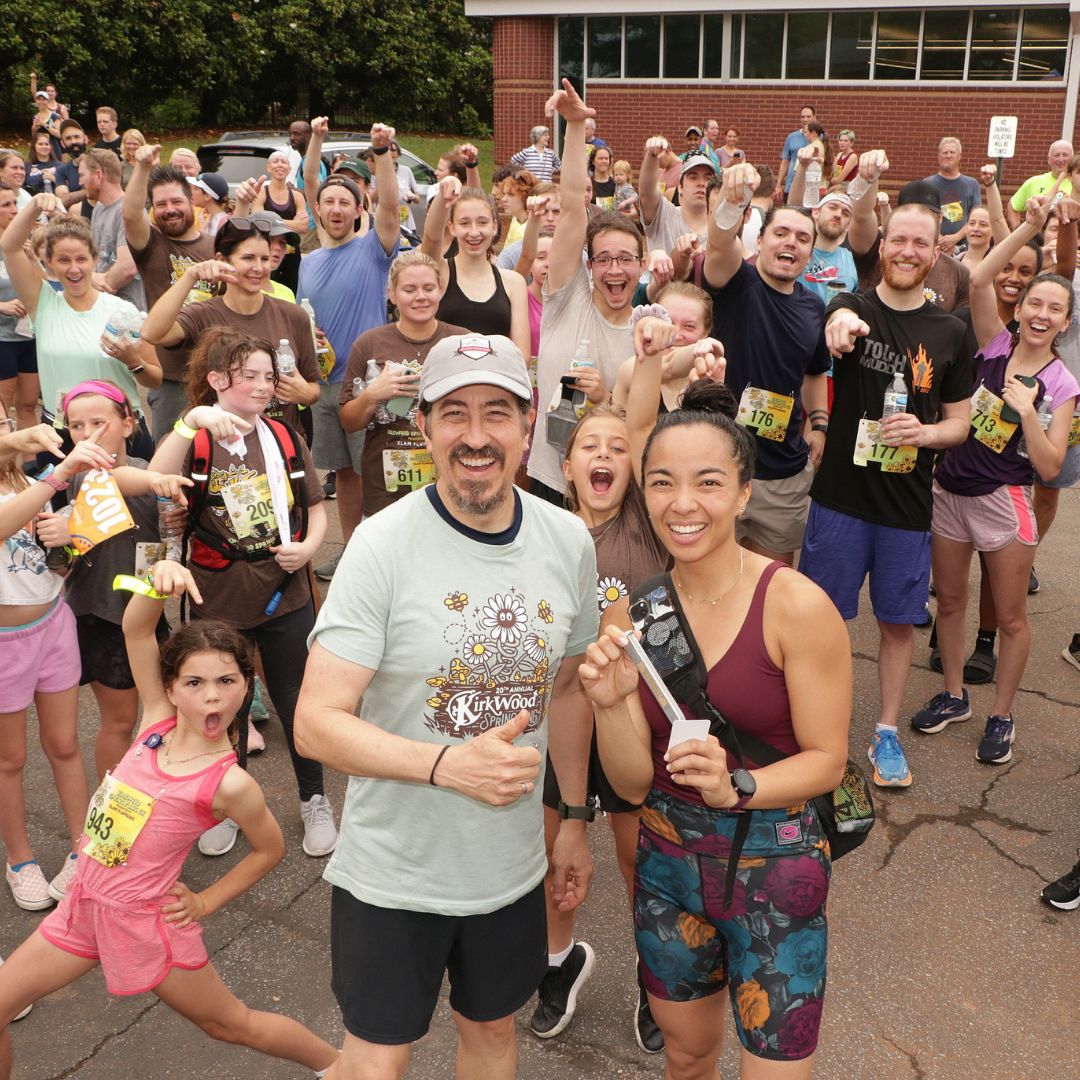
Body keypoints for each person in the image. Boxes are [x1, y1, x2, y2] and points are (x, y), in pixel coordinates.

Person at [295, 331, 597, 1080]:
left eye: (497, 412)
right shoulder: (380, 545)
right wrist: (444, 766)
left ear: (528, 426)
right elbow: (315, 721)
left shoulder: (567, 540)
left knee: (492, 1035)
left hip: (509, 869)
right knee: (375, 1060)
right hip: (394, 873)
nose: (475, 435)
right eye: (453, 413)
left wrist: (576, 821)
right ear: (422, 425)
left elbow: (565, 688)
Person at [580, 354, 851, 1080]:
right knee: (688, 1054)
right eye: (663, 481)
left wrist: (740, 787)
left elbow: (827, 759)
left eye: (708, 482)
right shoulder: (635, 610)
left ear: (742, 495)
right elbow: (634, 785)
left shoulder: (796, 604)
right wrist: (609, 707)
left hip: (779, 873)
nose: (682, 503)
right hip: (668, 866)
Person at [0, 555, 339, 1079]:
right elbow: (137, 628)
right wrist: (160, 580)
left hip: (144, 923)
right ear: (172, 688)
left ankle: (343, 1067)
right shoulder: (155, 721)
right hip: (84, 906)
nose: (212, 695)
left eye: (227, 681)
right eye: (195, 682)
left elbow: (270, 850)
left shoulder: (229, 783)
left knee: (231, 1024)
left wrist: (205, 900)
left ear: (246, 686)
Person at [799, 199, 972, 789]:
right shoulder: (854, 305)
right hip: (841, 500)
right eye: (899, 240)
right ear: (883, 244)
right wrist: (839, 327)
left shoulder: (952, 331)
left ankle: (887, 731)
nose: (907, 252)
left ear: (935, 253)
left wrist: (926, 434)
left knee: (898, 624)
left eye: (920, 244)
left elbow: (961, 422)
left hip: (905, 507)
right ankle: (815, 729)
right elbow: (835, 326)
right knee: (824, 621)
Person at [148, 328, 334, 859]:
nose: (261, 385)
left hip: (284, 589)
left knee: (297, 699)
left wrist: (310, 546)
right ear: (215, 380)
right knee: (220, 704)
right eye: (247, 375)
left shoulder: (280, 434)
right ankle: (223, 804)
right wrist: (190, 422)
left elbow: (316, 507)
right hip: (217, 593)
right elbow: (153, 477)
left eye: (267, 376)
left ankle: (314, 798)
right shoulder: (197, 439)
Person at [910, 196, 1078, 764]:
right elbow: (979, 278)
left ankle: (1002, 716)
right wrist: (1030, 226)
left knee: (1009, 616)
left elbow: (1051, 467)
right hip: (948, 491)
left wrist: (1029, 411)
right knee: (952, 602)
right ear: (1022, 304)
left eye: (1054, 309)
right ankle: (955, 695)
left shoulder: (1061, 383)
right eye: (1035, 301)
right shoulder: (995, 342)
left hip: (1002, 501)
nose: (1041, 314)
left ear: (1064, 321)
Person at [34, 382, 164, 778]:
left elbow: (169, 529)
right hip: (99, 615)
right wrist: (62, 538)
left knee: (161, 713)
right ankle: (114, 803)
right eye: (76, 426)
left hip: (149, 606)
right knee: (121, 719)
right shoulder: (70, 479)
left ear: (128, 424)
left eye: (98, 422)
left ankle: (154, 791)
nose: (87, 433)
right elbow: (60, 567)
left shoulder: (149, 473)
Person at [703, 162, 831, 565]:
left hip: (783, 475)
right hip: (720, 464)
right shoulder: (736, 281)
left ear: (811, 251)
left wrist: (821, 423)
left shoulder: (814, 306)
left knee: (769, 588)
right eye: (781, 233)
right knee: (712, 579)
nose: (790, 243)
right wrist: (730, 203)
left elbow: (814, 370)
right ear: (760, 239)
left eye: (802, 238)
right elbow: (720, 244)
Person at [0, 428, 106, 912]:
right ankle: (20, 860)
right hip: (6, 645)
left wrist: (66, 539)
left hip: (52, 623)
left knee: (65, 744)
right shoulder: (41, 481)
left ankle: (81, 847)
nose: (9, 435)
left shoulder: (26, 480)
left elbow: (51, 561)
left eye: (5, 423)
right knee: (10, 759)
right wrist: (60, 475)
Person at [526, 81, 644, 503]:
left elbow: (644, 422)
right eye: (604, 259)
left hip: (610, 491)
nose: (615, 269)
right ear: (588, 266)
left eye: (626, 259)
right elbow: (574, 203)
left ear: (641, 267)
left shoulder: (646, 332)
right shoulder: (566, 296)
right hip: (550, 481)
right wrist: (575, 126)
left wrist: (605, 398)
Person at [296, 118, 401, 579]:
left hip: (367, 383)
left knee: (377, 466)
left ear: (361, 209)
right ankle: (354, 549)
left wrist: (381, 154)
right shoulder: (311, 258)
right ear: (318, 210)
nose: (337, 208)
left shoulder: (374, 250)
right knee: (344, 472)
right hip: (323, 385)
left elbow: (393, 209)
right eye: (329, 202)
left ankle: (388, 551)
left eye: (346, 202)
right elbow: (310, 178)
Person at [0, 197, 161, 445]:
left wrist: (134, 363)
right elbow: (10, 247)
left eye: (81, 259)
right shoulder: (42, 304)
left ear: (94, 259)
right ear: (49, 263)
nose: (74, 269)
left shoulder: (124, 311)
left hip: (120, 433)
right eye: (64, 260)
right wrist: (34, 205)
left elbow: (155, 378)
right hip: (61, 433)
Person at [140, 217, 319, 433]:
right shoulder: (203, 314)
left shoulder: (293, 315)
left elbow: (313, 387)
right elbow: (152, 333)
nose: (258, 267)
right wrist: (190, 275)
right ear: (222, 260)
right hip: (221, 445)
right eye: (248, 258)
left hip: (280, 444)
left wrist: (305, 394)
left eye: (264, 258)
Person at [339, 250, 467, 518]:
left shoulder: (462, 342)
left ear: (440, 290)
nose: (421, 296)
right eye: (409, 289)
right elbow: (349, 422)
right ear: (392, 294)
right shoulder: (369, 344)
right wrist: (372, 395)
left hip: (450, 480)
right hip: (386, 486)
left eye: (428, 287)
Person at [122, 144, 216, 441]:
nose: (170, 209)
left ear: (192, 202)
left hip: (220, 373)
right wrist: (142, 168)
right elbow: (130, 213)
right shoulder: (151, 245)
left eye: (176, 201)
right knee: (170, 458)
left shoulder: (217, 247)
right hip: (172, 379)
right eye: (160, 204)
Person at [423, 178, 531, 365]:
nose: (474, 232)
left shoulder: (513, 282)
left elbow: (522, 356)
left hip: (496, 384)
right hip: (447, 384)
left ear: (494, 226)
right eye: (464, 223)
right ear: (451, 228)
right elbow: (431, 238)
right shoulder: (440, 272)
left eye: (482, 222)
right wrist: (443, 194)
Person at [848, 154, 972, 313]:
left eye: (925, 213)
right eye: (909, 212)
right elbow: (861, 217)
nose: (907, 252)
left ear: (940, 218)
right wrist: (868, 180)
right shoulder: (880, 253)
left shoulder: (958, 274)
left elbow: (959, 328)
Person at [81, 149, 144, 308]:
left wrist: (93, 288)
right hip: (102, 307)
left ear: (98, 175)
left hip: (127, 312)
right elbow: (95, 256)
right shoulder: (98, 208)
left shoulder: (128, 212)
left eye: (82, 175)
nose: (79, 182)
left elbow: (127, 268)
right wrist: (92, 277)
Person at [0, 184, 39, 442]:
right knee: (2, 411)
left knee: (27, 405)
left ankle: (33, 467)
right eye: (6, 205)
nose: (15, 210)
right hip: (2, 339)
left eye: (15, 203)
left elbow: (45, 283)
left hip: (29, 335)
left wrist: (34, 260)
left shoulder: (26, 243)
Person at [640, 140, 715, 252]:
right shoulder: (664, 215)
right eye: (693, 177)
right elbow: (646, 193)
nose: (701, 183)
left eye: (707, 178)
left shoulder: (720, 226)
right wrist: (651, 156)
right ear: (680, 186)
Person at [799, 191, 859, 304]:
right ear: (816, 212)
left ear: (848, 226)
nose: (838, 215)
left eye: (845, 213)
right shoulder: (797, 250)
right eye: (832, 207)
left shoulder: (852, 259)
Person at [924, 138, 981, 253]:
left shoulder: (972, 184)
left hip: (963, 249)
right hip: (933, 246)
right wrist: (939, 239)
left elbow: (976, 218)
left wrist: (955, 238)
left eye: (952, 152)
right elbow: (922, 215)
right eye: (945, 152)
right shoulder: (927, 184)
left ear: (959, 156)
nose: (948, 156)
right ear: (939, 156)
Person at [1007, 140, 1073, 229]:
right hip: (1038, 238)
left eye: (1065, 155)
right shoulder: (1033, 182)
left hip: (1068, 237)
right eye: (1056, 155)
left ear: (1072, 159)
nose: (1060, 159)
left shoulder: (1077, 183)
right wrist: (1016, 230)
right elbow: (1013, 206)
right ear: (1049, 159)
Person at [250, 150, 309, 236]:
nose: (280, 165)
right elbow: (258, 222)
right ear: (268, 167)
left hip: (290, 245)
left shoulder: (297, 196)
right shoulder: (261, 193)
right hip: (266, 245)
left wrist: (271, 221)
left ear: (289, 169)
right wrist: (293, 223)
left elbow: (303, 227)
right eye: (275, 161)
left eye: (284, 162)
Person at [778, 105, 816, 200]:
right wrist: (778, 185)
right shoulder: (792, 137)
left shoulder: (821, 138)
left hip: (811, 186)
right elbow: (785, 162)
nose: (805, 119)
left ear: (814, 117)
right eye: (803, 117)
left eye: (808, 116)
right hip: (791, 185)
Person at [495, 167, 538, 246]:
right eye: (504, 194)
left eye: (511, 195)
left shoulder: (531, 229)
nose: (504, 199)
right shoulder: (516, 219)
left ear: (526, 197)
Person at [53, 121, 89, 212]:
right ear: (62, 143)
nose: (73, 141)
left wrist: (73, 195)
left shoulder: (99, 160)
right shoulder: (61, 170)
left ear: (85, 139)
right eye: (68, 138)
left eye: (77, 137)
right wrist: (87, 191)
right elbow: (64, 199)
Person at [188, 173, 232, 237]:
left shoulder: (225, 225)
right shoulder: (205, 216)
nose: (190, 192)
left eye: (195, 188)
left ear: (207, 196)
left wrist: (202, 233)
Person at [24, 132, 61, 196]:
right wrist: (41, 177)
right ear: (34, 146)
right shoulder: (27, 165)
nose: (44, 146)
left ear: (50, 147)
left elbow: (66, 184)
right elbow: (24, 183)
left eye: (46, 144)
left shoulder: (58, 165)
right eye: (40, 144)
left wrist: (52, 178)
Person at [29, 91, 62, 160]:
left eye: (44, 99)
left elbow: (59, 134)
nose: (41, 102)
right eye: (39, 99)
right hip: (40, 150)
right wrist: (34, 128)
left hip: (53, 150)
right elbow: (34, 135)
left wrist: (44, 124)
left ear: (48, 101)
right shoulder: (36, 116)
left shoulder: (54, 116)